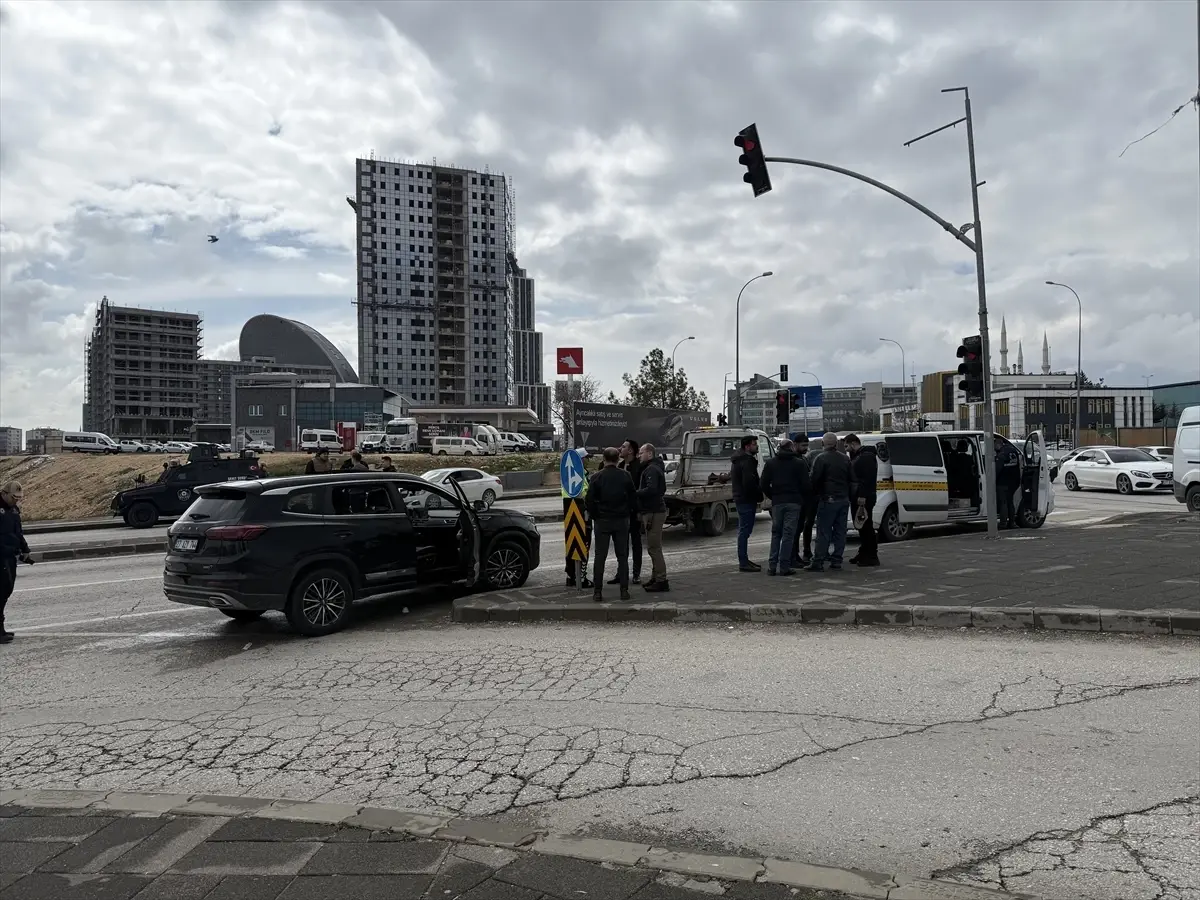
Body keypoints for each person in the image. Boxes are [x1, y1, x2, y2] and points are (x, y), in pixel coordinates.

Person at [586, 447, 637, 602]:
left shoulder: (596, 477)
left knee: (600, 556)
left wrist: (596, 516)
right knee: (622, 556)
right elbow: (633, 498)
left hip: (602, 521)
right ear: (617, 459)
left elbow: (589, 501)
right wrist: (628, 512)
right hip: (621, 520)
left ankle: (598, 592)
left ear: (604, 459)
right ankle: (624, 591)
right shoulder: (625, 476)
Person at [760, 439, 809, 576]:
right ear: (792, 447)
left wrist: (773, 496)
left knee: (776, 534)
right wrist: (801, 498)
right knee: (788, 535)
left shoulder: (771, 463)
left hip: (777, 502)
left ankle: (772, 566)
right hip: (794, 502)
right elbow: (806, 484)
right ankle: (784, 566)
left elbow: (763, 483)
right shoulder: (799, 463)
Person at [806, 432, 853, 572]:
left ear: (823, 444)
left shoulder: (821, 458)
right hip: (843, 499)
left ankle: (818, 561)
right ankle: (837, 560)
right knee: (840, 531)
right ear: (836, 444)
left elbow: (814, 479)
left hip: (828, 499)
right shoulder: (845, 459)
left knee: (824, 531)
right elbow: (851, 479)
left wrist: (814, 494)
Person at [0, 481, 34, 644]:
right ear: (5, 493)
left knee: (6, 591)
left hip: (10, 557)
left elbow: (18, 533)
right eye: (14, 497)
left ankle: (1, 629)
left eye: (19, 498)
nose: (17, 501)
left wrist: (25, 550)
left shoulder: (13, 510)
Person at [610, 438, 644, 585]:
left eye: (623, 447)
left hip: (633, 511)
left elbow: (640, 490)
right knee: (621, 544)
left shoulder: (639, 467)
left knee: (636, 543)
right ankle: (621, 573)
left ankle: (636, 574)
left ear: (630, 450)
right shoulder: (620, 465)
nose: (620, 448)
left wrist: (638, 510)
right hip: (620, 512)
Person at [636, 443, 669, 592]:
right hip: (654, 510)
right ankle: (656, 577)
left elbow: (652, 489)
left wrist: (636, 492)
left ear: (649, 454)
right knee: (654, 547)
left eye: (641, 453)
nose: (639, 455)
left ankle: (661, 580)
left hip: (653, 511)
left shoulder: (651, 469)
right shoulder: (655, 467)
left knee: (654, 548)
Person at [845, 434, 880, 567]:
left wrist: (862, 496)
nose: (846, 449)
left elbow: (867, 478)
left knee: (865, 526)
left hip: (864, 497)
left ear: (854, 443)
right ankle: (864, 552)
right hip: (860, 495)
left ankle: (871, 555)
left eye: (847, 446)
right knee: (861, 525)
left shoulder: (865, 457)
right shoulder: (860, 456)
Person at [730, 434, 763, 572]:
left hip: (741, 498)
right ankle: (743, 562)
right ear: (747, 446)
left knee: (744, 531)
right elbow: (749, 483)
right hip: (746, 499)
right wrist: (759, 495)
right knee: (744, 532)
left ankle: (744, 560)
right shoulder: (747, 461)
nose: (757, 446)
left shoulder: (739, 459)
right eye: (754, 444)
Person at [791, 435, 818, 566]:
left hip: (806, 499)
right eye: (803, 445)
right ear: (795, 444)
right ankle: (794, 555)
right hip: (799, 499)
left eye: (807, 446)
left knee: (803, 526)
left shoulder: (803, 459)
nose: (806, 448)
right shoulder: (794, 460)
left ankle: (804, 552)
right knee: (797, 528)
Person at [994, 436, 1020, 528]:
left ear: (998, 445)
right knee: (1010, 502)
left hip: (1003, 482)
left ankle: (1003, 523)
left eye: (994, 446)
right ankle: (1012, 522)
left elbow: (997, 470)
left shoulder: (1001, 455)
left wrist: (992, 481)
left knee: (1003, 502)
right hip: (1014, 482)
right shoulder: (1013, 451)